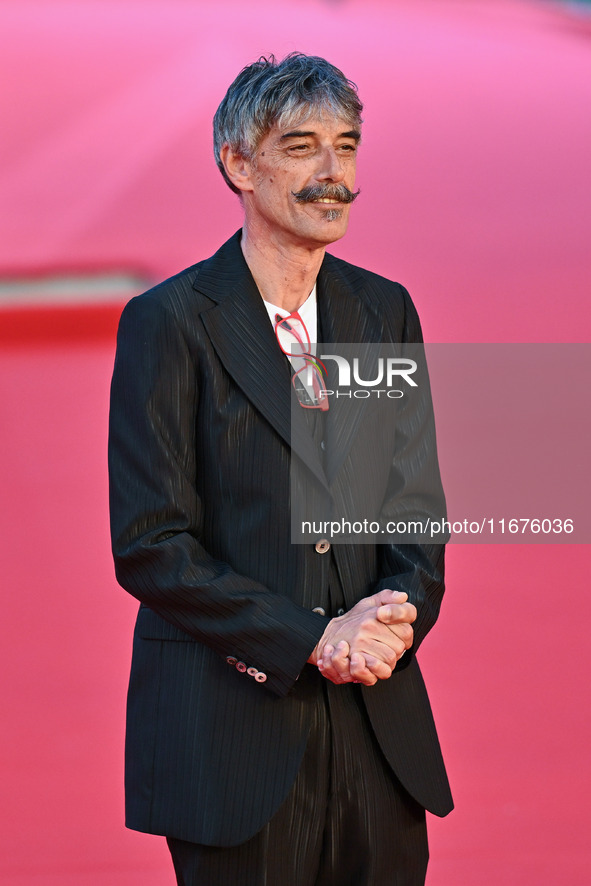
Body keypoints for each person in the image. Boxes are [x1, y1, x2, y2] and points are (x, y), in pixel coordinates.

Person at [108, 52, 453, 886]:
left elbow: (413, 509)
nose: (334, 174)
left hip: (377, 733)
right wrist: (310, 639)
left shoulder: (383, 309)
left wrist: (391, 623)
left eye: (347, 144)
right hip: (232, 739)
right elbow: (152, 543)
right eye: (300, 148)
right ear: (237, 163)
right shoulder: (169, 322)